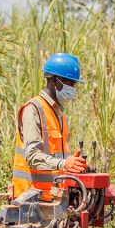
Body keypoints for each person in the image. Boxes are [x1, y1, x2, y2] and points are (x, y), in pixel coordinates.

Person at [11, 53, 88, 198]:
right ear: (53, 80)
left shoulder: (59, 114)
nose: (72, 88)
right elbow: (32, 157)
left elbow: (58, 156)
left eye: (74, 84)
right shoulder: (33, 109)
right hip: (30, 199)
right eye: (69, 83)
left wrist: (72, 164)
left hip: (53, 198)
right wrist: (63, 164)